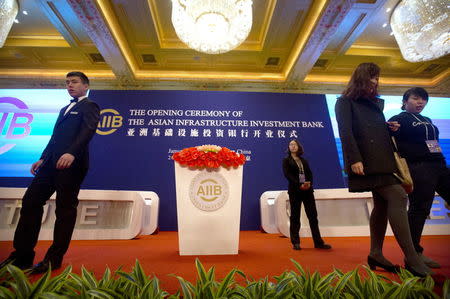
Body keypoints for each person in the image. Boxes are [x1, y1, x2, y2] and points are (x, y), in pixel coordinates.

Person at [334, 62, 431, 277]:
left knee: (381, 205)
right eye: (371, 77)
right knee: (397, 195)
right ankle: (412, 258)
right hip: (367, 161)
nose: (375, 81)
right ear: (360, 77)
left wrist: (388, 128)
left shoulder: (374, 104)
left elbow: (370, 130)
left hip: (383, 159)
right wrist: (354, 159)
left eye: (377, 77)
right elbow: (346, 132)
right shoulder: (344, 102)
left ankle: (376, 253)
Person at [0, 71, 100, 274]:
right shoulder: (64, 109)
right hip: (50, 164)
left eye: (74, 82)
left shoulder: (89, 106)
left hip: (71, 165)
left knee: (64, 210)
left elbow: (88, 130)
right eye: (67, 82)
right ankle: (22, 255)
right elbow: (55, 137)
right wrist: (43, 158)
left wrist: (71, 153)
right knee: (30, 202)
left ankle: (54, 259)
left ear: (86, 86)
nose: (69, 85)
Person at [388, 87, 450, 269]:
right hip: (419, 167)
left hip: (440, 165)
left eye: (423, 99)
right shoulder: (398, 119)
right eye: (416, 98)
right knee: (420, 209)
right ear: (405, 101)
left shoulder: (427, 119)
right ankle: (414, 254)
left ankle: (415, 253)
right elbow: (389, 136)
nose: (420, 102)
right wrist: (392, 130)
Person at [282, 139, 332, 251]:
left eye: (295, 144)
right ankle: (296, 242)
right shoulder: (286, 160)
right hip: (295, 191)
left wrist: (309, 183)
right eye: (291, 144)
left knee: (313, 216)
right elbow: (288, 175)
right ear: (289, 147)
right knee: (295, 216)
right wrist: (299, 184)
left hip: (307, 191)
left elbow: (309, 173)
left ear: (299, 147)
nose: (293, 146)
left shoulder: (303, 160)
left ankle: (318, 242)